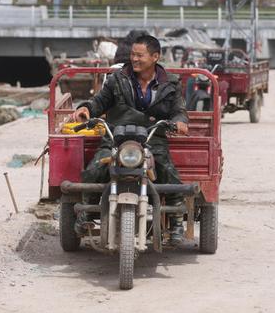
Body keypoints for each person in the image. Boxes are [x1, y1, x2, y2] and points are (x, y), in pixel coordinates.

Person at [72, 34, 189, 243]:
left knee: (168, 172)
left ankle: (177, 222)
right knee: (94, 169)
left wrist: (179, 122)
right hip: (117, 137)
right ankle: (87, 213)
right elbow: (100, 101)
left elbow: (179, 110)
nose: (134, 59)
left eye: (139, 55)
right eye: (132, 54)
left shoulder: (171, 83)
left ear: (155, 57)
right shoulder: (117, 78)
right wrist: (86, 108)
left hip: (153, 137)